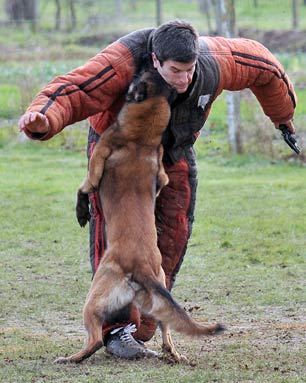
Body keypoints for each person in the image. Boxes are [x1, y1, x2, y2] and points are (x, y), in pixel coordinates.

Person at [18, 20, 297, 359]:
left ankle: (148, 320)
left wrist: (283, 119)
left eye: (189, 70)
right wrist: (43, 118)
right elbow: (77, 89)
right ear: (154, 60)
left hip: (172, 149)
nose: (184, 80)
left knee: (174, 231)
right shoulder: (122, 60)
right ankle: (116, 331)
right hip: (117, 148)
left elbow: (264, 67)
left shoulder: (216, 61)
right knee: (115, 242)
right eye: (176, 71)